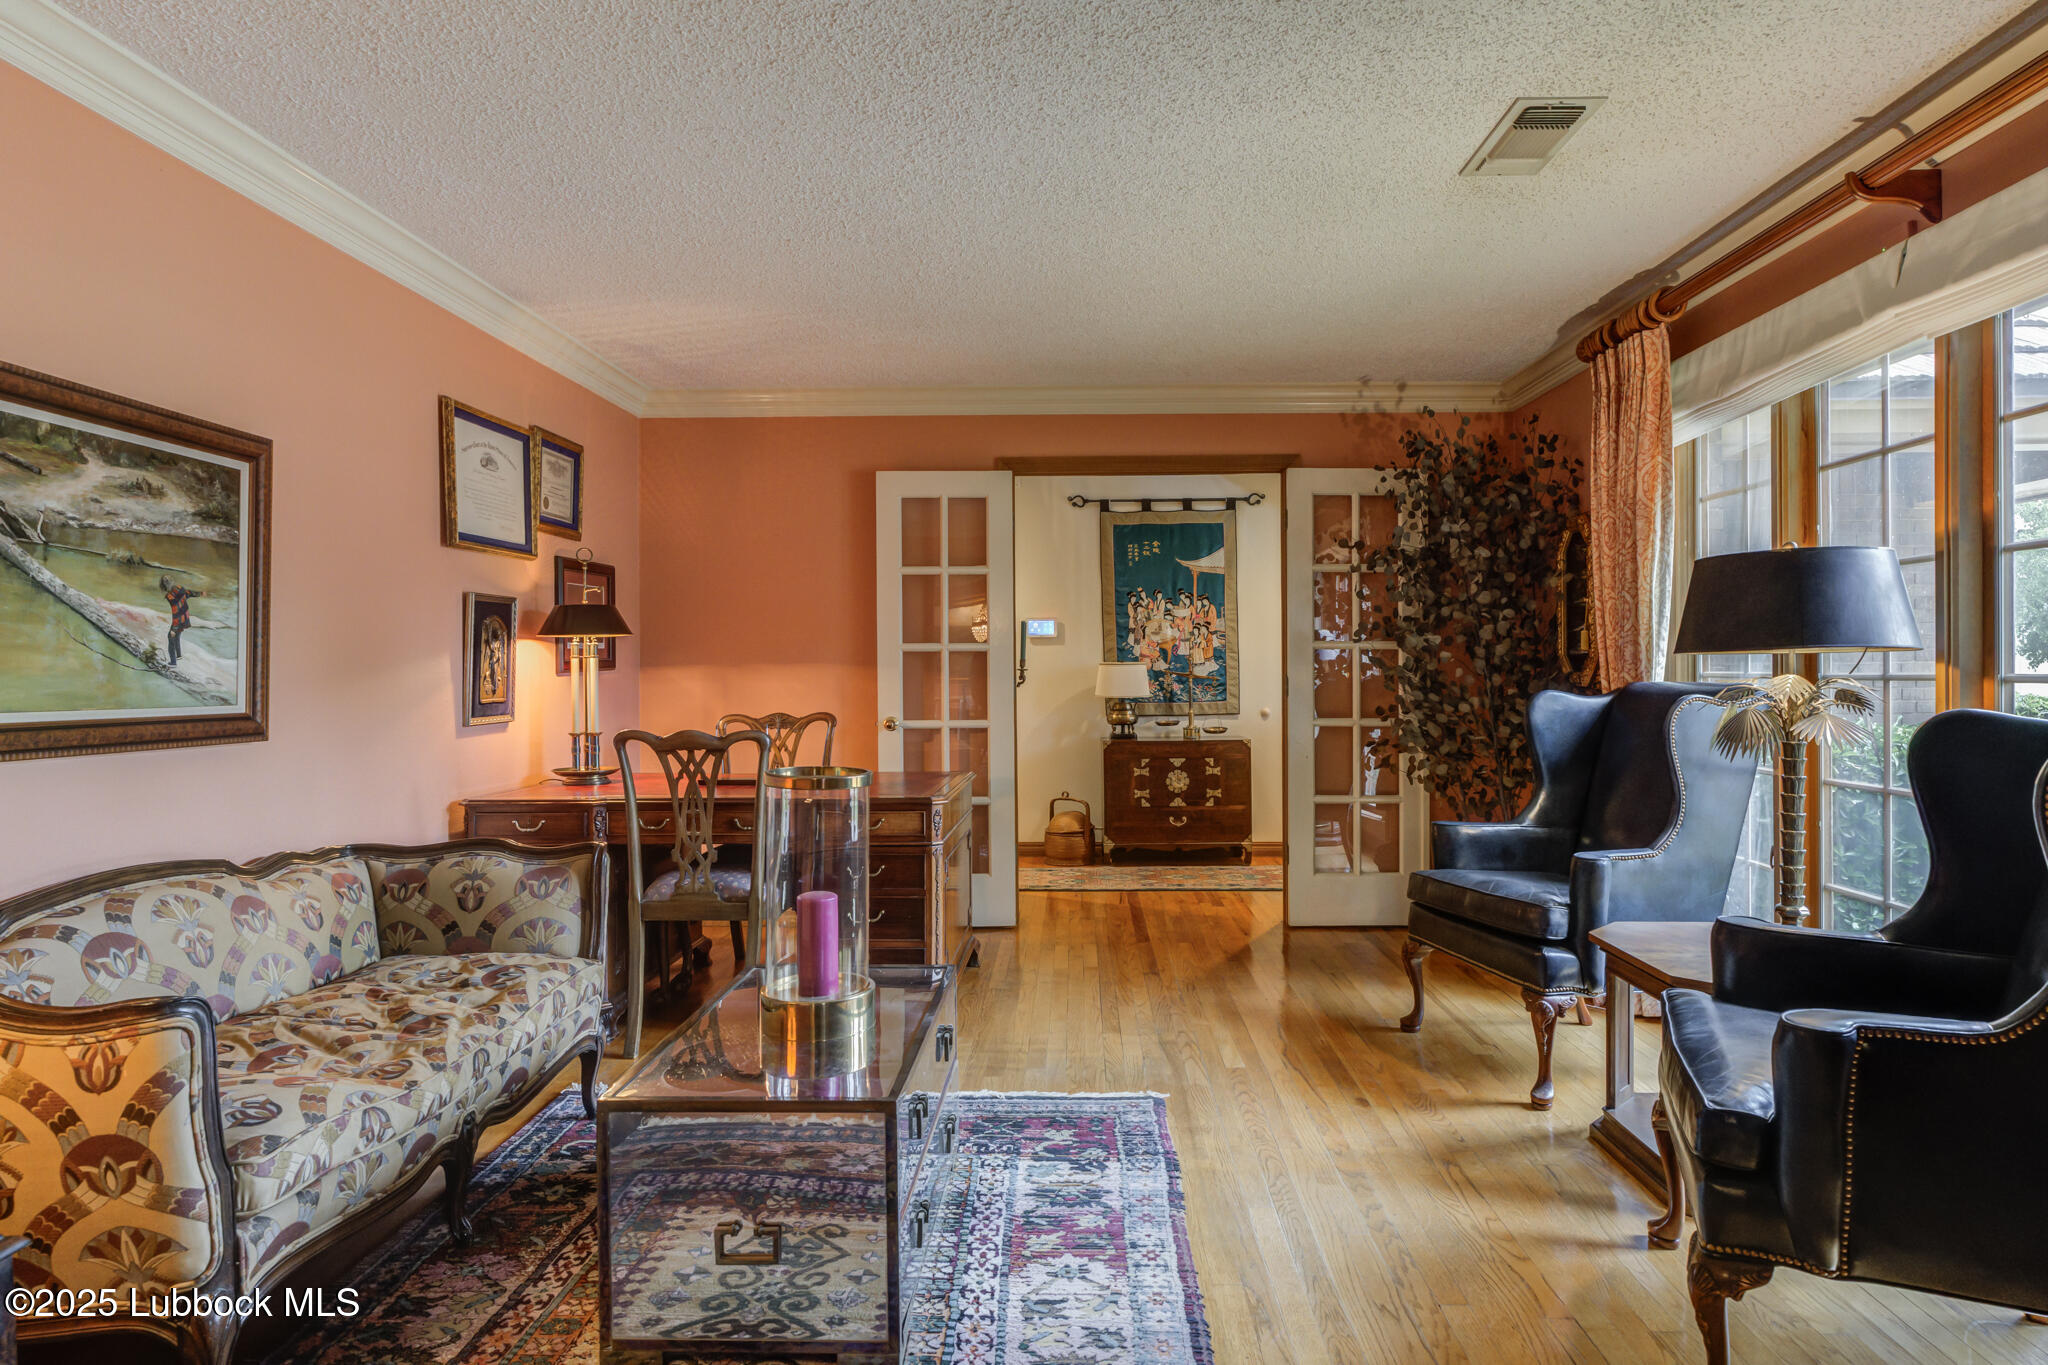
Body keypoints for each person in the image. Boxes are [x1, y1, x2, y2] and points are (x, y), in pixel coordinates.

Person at [160, 574, 204, 666]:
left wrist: (173, 629)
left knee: (171, 637)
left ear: (164, 585)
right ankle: (179, 656)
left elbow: (176, 612)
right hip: (185, 617)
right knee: (177, 636)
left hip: (179, 619)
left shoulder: (170, 597)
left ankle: (173, 663)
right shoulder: (180, 588)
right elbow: (189, 593)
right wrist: (200, 593)